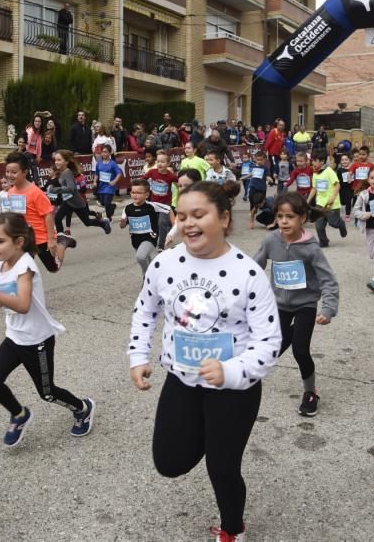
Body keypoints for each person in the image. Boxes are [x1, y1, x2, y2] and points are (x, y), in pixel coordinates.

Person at [128, 180, 281, 542]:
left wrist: (230, 371)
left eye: (199, 215)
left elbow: (269, 342)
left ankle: (232, 529)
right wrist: (138, 355)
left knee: (222, 467)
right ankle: (208, 438)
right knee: (169, 462)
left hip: (234, 390)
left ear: (224, 218)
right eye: (181, 216)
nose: (188, 224)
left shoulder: (249, 273)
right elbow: (144, 312)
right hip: (181, 380)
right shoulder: (164, 264)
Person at [0, 213, 95, 447]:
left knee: (47, 392)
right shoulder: (0, 267)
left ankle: (82, 408)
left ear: (19, 242)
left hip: (36, 340)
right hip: (14, 337)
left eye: (0, 241)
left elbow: (22, 304)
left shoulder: (25, 266)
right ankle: (19, 414)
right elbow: (8, 293)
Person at [254, 192, 338, 417]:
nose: (283, 221)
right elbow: (255, 266)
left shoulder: (311, 248)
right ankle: (249, 378)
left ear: (302, 218)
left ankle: (311, 392)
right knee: (275, 347)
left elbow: (328, 280)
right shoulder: (271, 240)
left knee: (300, 350)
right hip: (279, 303)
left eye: (289, 217)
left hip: (305, 304)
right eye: (280, 216)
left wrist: (328, 308)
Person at [1, 152, 68, 273]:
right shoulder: (11, 193)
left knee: (54, 268)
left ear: (25, 172)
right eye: (7, 172)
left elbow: (48, 215)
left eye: (14, 172)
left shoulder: (35, 192)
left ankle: (63, 242)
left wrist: (51, 240)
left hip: (41, 238)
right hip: (24, 240)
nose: (9, 175)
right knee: (21, 270)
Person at [53, 150, 111, 236]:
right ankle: (61, 237)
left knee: (87, 222)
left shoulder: (67, 172)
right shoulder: (62, 172)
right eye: (55, 160)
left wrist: (55, 190)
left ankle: (103, 223)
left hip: (77, 203)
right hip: (68, 202)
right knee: (57, 218)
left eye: (59, 160)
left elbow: (70, 188)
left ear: (66, 162)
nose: (56, 162)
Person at [119, 179, 160, 274]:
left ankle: (146, 278)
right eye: (133, 192)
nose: (135, 195)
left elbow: (168, 209)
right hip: (136, 239)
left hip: (150, 237)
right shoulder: (128, 208)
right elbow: (122, 225)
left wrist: (174, 225)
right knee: (146, 258)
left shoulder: (152, 206)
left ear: (146, 195)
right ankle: (154, 276)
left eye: (138, 193)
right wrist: (123, 222)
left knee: (141, 257)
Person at [308, 155, 347, 247]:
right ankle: (324, 242)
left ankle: (341, 224)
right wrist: (308, 200)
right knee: (319, 226)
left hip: (331, 204)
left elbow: (337, 185)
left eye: (315, 160)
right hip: (320, 204)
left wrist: (333, 197)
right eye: (312, 161)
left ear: (322, 162)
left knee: (334, 223)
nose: (312, 163)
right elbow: (314, 188)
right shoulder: (315, 173)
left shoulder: (329, 171)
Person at [144, 151, 178, 249]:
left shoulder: (171, 176)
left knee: (161, 223)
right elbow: (143, 180)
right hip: (153, 202)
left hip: (165, 203)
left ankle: (161, 245)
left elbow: (179, 183)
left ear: (168, 164)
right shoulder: (152, 172)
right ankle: (153, 238)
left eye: (162, 162)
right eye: (158, 161)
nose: (159, 164)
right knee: (152, 222)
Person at [242, 150, 272, 229]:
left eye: (261, 160)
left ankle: (266, 215)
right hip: (253, 187)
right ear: (255, 159)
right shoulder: (253, 166)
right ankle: (252, 215)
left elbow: (268, 176)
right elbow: (251, 174)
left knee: (261, 204)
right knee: (252, 201)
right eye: (257, 160)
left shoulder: (265, 168)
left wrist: (269, 179)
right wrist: (244, 177)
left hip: (261, 188)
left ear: (264, 160)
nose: (259, 161)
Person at [93, 144, 122, 220]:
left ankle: (109, 217)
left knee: (106, 202)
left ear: (109, 153)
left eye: (106, 152)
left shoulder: (113, 163)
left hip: (110, 186)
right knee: (102, 202)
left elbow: (119, 173)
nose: (104, 154)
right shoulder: (99, 163)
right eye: (102, 152)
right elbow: (96, 173)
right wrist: (95, 182)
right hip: (101, 186)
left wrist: (114, 181)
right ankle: (112, 206)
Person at [335, 153, 354, 218]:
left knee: (348, 202)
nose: (344, 161)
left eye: (346, 159)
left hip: (349, 189)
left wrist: (352, 180)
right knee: (342, 202)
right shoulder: (339, 170)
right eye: (342, 160)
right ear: (340, 162)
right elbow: (338, 179)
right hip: (342, 188)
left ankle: (347, 215)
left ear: (350, 160)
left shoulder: (352, 169)